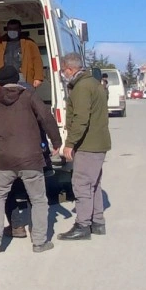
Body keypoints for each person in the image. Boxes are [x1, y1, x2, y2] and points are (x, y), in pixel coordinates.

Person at [0, 65, 62, 253]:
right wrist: (56, 141)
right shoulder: (29, 97)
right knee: (38, 199)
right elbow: (46, 117)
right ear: (17, 79)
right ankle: (39, 242)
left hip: (4, 160)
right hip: (30, 158)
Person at [57, 53, 112, 241]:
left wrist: (70, 143)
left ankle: (82, 225)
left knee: (81, 185)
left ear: (70, 69)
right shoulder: (94, 84)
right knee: (93, 184)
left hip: (88, 144)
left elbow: (80, 119)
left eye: (63, 70)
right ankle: (97, 222)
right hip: (98, 142)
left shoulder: (81, 88)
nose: (62, 74)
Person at [0, 19, 44, 90]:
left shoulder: (29, 44)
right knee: (7, 98)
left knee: (26, 98)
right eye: (10, 29)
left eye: (15, 29)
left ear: (20, 29)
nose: (12, 31)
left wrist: (38, 78)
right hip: (5, 78)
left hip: (23, 76)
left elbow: (37, 61)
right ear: (7, 30)